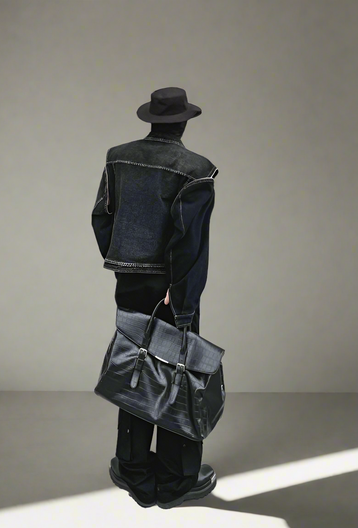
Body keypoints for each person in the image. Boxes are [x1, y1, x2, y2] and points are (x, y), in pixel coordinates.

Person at [91, 87, 218, 509]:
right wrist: (182, 298)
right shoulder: (196, 169)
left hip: (129, 281)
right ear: (183, 122)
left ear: (151, 119)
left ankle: (132, 468)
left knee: (135, 368)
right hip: (171, 287)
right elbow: (189, 243)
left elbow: (102, 217)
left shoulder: (118, 157)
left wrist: (124, 262)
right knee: (178, 373)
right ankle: (177, 477)